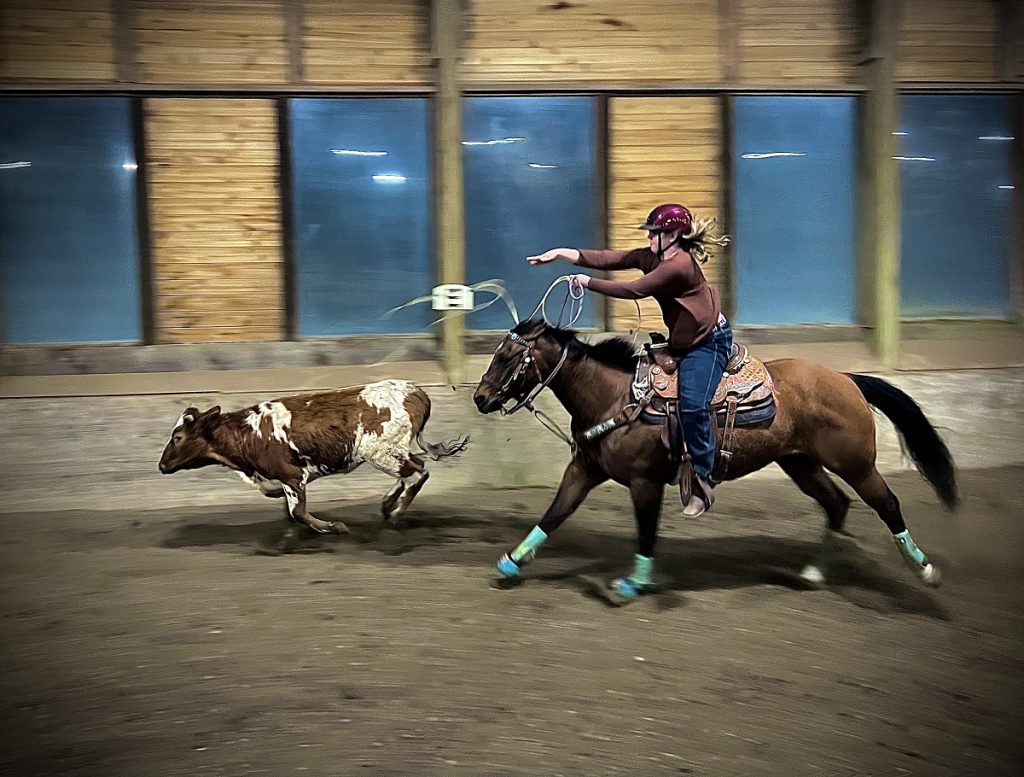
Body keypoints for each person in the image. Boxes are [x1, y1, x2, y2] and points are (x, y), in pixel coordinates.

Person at [526, 203, 732, 516]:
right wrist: (561, 253)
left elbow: (634, 289)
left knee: (693, 404)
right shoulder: (655, 256)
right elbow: (613, 258)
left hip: (707, 343)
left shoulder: (679, 265)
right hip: (684, 340)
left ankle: (704, 476)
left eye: (655, 233)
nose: (650, 239)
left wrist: (587, 282)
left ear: (674, 234)